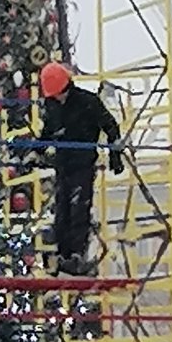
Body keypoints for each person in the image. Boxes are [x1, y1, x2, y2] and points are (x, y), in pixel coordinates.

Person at [39, 61, 124, 276]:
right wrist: (37, 150)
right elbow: (48, 131)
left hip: (82, 164)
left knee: (78, 209)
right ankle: (62, 254)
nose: (55, 99)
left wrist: (115, 154)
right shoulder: (53, 105)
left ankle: (76, 254)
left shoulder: (87, 102)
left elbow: (110, 126)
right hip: (63, 165)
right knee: (62, 210)